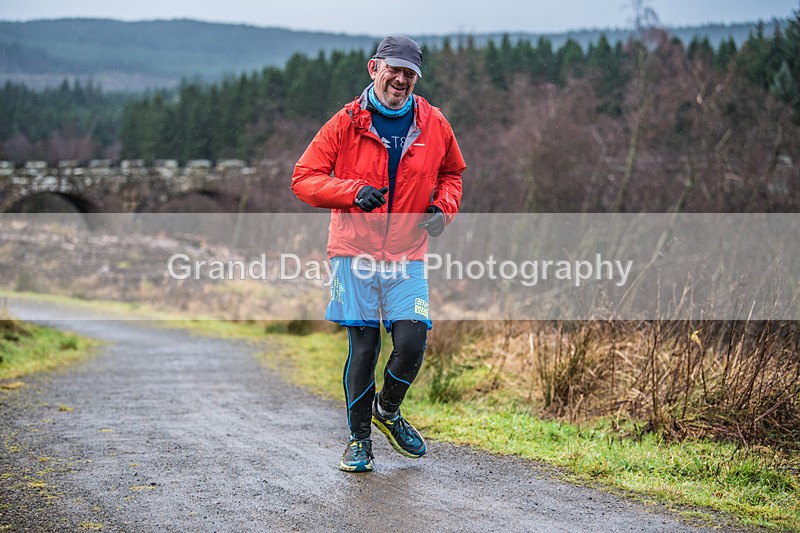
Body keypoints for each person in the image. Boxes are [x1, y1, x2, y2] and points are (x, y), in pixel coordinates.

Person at [291, 35, 465, 473]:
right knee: (364, 348)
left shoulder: (434, 123)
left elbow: (452, 175)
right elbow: (304, 178)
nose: (401, 80)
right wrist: (350, 192)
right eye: (394, 70)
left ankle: (387, 410)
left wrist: (442, 210)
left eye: (410, 74)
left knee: (411, 341)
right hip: (354, 252)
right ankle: (359, 441)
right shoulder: (346, 123)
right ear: (375, 69)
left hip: (407, 253)